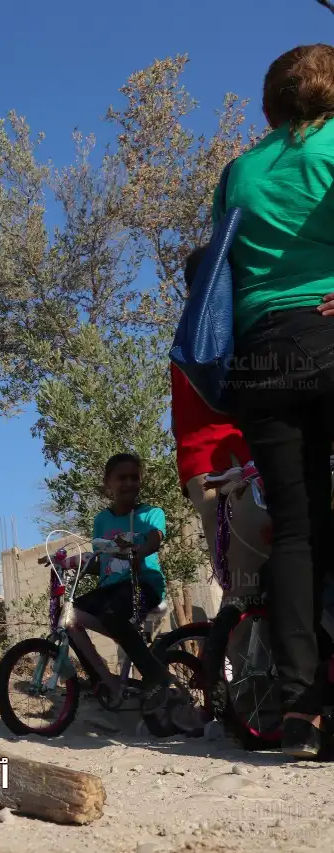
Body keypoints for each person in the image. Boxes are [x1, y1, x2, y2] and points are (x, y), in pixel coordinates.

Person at [219, 44, 334, 758]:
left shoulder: (240, 171)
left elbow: (220, 265)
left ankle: (300, 712)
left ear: (269, 103)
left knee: (296, 530)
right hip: (327, 333)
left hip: (260, 353)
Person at [64, 454, 193, 729]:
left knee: (112, 616)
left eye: (134, 477)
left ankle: (155, 675)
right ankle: (105, 683)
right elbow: (103, 562)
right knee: (69, 616)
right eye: (122, 478)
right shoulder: (102, 520)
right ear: (108, 483)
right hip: (110, 589)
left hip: (143, 584)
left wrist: (140, 551)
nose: (129, 483)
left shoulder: (151, 514)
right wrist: (73, 563)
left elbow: (155, 539)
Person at [173, 246, 266, 600]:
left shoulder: (186, 334)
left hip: (200, 463)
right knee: (258, 567)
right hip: (234, 458)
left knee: (235, 577)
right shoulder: (222, 324)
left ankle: (239, 631)